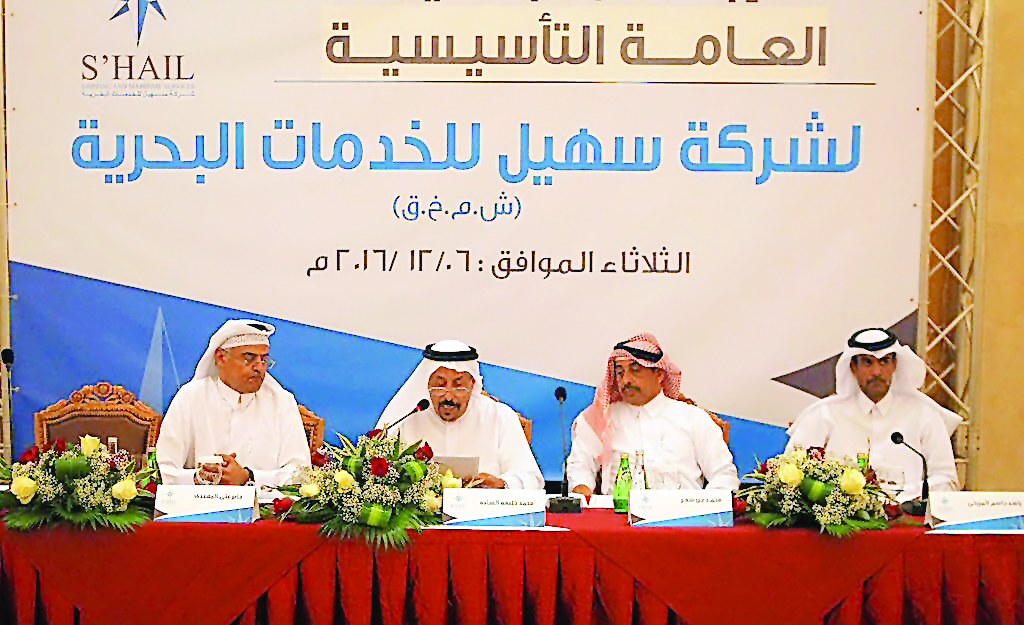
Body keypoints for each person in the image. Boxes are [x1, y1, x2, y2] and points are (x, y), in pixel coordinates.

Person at [786, 327, 961, 502]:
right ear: (853, 367)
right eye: (868, 362)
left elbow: (946, 479)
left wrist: (904, 497)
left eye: (884, 361)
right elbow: (790, 473)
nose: (877, 372)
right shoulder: (823, 414)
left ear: (894, 365)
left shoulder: (923, 413)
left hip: (907, 521)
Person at [566, 333, 739, 496]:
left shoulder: (693, 418)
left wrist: (703, 512)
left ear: (659, 375)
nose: (626, 380)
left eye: (635, 370)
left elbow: (724, 475)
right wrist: (583, 495)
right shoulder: (600, 419)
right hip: (618, 519)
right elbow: (580, 467)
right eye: (620, 372)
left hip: (683, 521)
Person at [156, 319, 311, 488]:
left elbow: (300, 474)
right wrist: (198, 477)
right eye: (249, 358)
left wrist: (249, 477)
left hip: (263, 511)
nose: (258, 367)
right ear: (221, 358)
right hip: (197, 509)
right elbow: (164, 469)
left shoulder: (282, 402)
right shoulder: (191, 397)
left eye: (263, 359)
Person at [375, 340, 543, 490]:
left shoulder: (499, 417)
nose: (448, 396)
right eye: (440, 385)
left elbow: (532, 480)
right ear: (427, 384)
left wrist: (501, 484)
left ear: (472, 384)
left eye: (458, 385)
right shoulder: (407, 418)